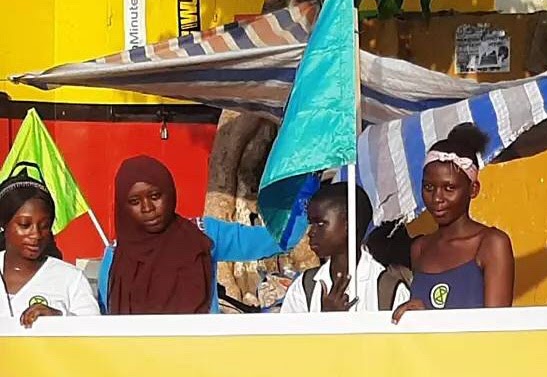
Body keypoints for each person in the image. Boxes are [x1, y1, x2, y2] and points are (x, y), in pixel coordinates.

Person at [99, 156, 306, 314]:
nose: (147, 208)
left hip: (200, 360)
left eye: (155, 196)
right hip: (134, 365)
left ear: (170, 193)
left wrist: (306, 197)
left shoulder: (203, 235)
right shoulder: (114, 256)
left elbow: (277, 239)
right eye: (135, 202)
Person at [392, 124, 514, 321]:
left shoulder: (491, 244)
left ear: (473, 189)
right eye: (429, 187)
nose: (437, 198)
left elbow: (495, 330)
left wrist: (432, 319)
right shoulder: (420, 249)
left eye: (449, 188)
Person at [280, 182, 411, 313]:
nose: (311, 232)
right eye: (311, 223)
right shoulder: (304, 287)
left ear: (349, 225)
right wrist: (325, 318)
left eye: (320, 223)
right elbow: (287, 332)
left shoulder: (388, 290)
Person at [0, 178, 99, 327]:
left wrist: (60, 318)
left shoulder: (71, 279)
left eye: (44, 226)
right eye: (25, 225)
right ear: (4, 224)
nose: (36, 234)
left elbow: (96, 332)